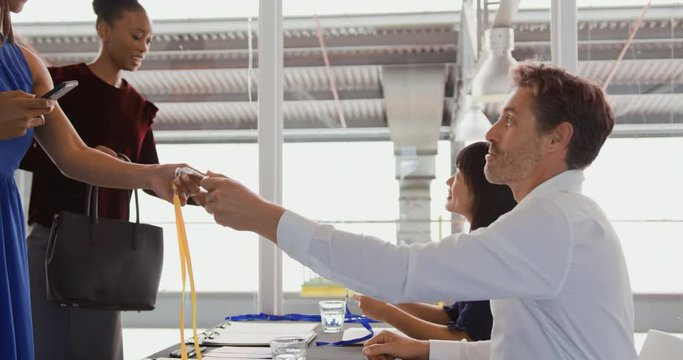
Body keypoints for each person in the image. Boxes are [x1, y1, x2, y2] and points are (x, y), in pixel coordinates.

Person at [179, 62, 637, 359]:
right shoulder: (560, 219)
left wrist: (263, 217)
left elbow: (403, 270)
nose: (492, 133)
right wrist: (425, 350)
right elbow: (510, 348)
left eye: (510, 119)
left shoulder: (554, 222)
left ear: (558, 138)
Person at [0, 0, 191, 359]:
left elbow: (74, 155)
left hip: (20, 226)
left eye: (149, 40)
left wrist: (158, 176)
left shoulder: (27, 64)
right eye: (137, 36)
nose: (143, 47)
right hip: (50, 234)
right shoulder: (57, 76)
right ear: (104, 31)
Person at [354, 141, 516, 343]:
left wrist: (387, 312)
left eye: (458, 175)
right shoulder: (484, 242)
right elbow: (450, 317)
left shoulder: (490, 253)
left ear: (482, 188)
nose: (449, 181)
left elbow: (465, 338)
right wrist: (388, 297)